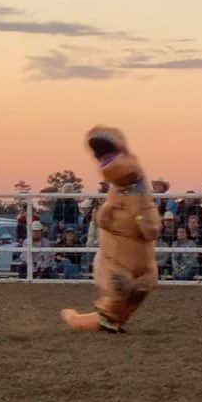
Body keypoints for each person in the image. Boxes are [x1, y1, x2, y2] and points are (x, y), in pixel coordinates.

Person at [61, 126, 161, 333]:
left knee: (142, 286)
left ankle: (111, 319)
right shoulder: (117, 194)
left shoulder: (138, 196)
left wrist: (138, 217)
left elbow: (150, 230)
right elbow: (104, 221)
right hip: (115, 259)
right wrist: (118, 210)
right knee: (120, 285)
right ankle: (107, 317)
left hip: (137, 261)